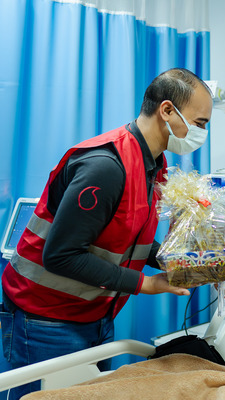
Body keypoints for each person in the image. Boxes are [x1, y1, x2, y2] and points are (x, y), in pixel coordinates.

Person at [0, 68, 213, 399]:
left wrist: (174, 260)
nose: (202, 133)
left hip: (95, 316)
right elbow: (61, 255)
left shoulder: (153, 165)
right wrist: (146, 284)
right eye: (200, 123)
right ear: (167, 111)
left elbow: (127, 240)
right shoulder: (106, 166)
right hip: (45, 319)